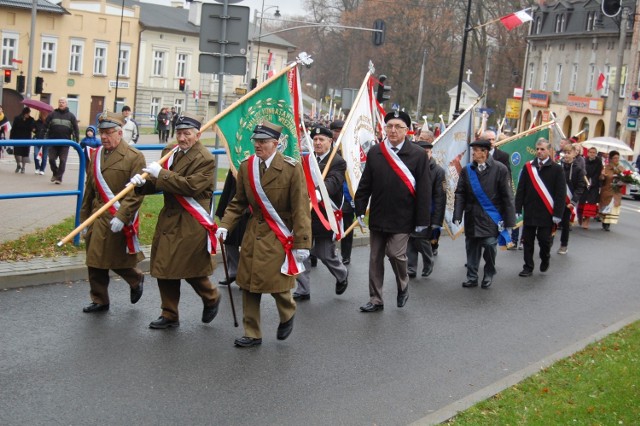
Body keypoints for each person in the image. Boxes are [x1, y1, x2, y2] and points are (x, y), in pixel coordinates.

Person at [217, 121, 311, 347]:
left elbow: (300, 208)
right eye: (255, 141)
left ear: (275, 144)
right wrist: (225, 225)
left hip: (279, 235)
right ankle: (252, 333)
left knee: (276, 283)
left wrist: (302, 243)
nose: (257, 145)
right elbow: (238, 202)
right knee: (248, 283)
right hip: (253, 233)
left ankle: (287, 312)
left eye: (262, 142)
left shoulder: (290, 168)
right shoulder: (247, 167)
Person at [131, 112, 222, 329]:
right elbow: (159, 182)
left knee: (186, 267)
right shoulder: (171, 152)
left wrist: (161, 174)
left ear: (197, 134)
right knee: (165, 265)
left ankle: (211, 296)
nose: (181, 138)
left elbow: (190, 186)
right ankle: (169, 313)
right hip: (170, 218)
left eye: (187, 134)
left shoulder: (206, 159)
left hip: (191, 220)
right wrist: (142, 184)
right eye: (179, 133)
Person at [354, 110, 431, 312]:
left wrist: (423, 219)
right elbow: (365, 184)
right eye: (389, 126)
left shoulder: (417, 154)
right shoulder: (376, 152)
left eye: (398, 127)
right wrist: (360, 209)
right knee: (375, 258)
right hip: (379, 214)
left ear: (407, 130)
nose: (393, 130)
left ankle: (403, 284)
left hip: (403, 217)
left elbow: (424, 189)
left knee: (396, 254)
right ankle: (376, 299)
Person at [80, 112, 146, 313]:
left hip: (117, 216)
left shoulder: (134, 157)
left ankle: (135, 278)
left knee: (114, 258)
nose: (104, 137)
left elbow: (136, 193)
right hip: (96, 214)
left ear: (120, 133)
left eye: (109, 133)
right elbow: (89, 190)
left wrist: (121, 216)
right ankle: (99, 299)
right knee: (94, 258)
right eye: (102, 133)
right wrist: (83, 220)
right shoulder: (96, 156)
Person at [294, 126, 349, 300]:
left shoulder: (338, 161)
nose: (317, 143)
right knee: (301, 251)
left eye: (321, 140)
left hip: (325, 213)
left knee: (325, 254)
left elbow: (334, 181)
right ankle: (303, 289)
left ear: (330, 141)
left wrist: (318, 192)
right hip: (306, 212)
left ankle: (342, 275)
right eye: (315, 139)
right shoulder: (307, 160)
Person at [453, 139, 515, 288]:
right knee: (472, 247)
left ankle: (489, 273)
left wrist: (510, 221)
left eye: (476, 150)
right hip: (472, 215)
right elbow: (460, 193)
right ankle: (472, 277)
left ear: (485, 152)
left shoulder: (500, 169)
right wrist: (457, 214)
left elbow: (507, 196)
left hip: (491, 217)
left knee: (489, 245)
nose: (473, 153)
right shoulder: (468, 170)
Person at [515, 138, 566, 277]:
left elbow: (560, 194)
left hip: (547, 212)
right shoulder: (528, 167)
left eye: (542, 149)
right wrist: (517, 208)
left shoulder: (557, 169)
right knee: (527, 241)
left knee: (544, 241)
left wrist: (557, 214)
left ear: (549, 150)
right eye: (537, 149)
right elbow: (521, 189)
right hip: (530, 210)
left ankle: (545, 258)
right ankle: (528, 267)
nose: (539, 151)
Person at [407, 139, 446, 279]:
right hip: (410, 211)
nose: (425, 155)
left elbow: (440, 198)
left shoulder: (438, 171)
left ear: (431, 153)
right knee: (410, 240)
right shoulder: (409, 167)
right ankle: (411, 268)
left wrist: (437, 221)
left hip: (427, 213)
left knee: (422, 240)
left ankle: (428, 262)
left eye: (427, 152)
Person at [214, 169, 249, 286]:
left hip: (252, 209)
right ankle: (233, 271)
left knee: (249, 244)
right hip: (233, 206)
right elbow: (228, 189)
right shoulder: (235, 164)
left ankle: (246, 276)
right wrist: (221, 210)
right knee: (229, 239)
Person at [557, 145, 586, 255]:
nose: (567, 155)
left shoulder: (578, 169)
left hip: (568, 200)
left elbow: (580, 187)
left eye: (569, 153)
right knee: (551, 221)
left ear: (574, 154)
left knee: (565, 223)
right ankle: (549, 239)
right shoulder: (558, 166)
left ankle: (564, 245)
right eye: (565, 152)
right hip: (556, 198)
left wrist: (573, 201)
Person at [45, 97, 80, 184]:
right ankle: (55, 173)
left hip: (65, 143)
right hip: (52, 142)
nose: (61, 103)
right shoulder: (52, 114)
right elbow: (45, 127)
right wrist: (42, 139)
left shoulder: (71, 116)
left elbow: (76, 129)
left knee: (63, 160)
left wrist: (76, 141)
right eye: (60, 102)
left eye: (63, 102)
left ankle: (59, 178)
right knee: (51, 159)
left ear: (66, 104)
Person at [599, 150, 626, 231]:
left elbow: (626, 178)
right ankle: (605, 222)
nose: (616, 159)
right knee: (607, 206)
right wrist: (602, 175)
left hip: (616, 191)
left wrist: (623, 180)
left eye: (618, 158)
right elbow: (601, 179)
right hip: (607, 190)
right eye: (615, 158)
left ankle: (608, 223)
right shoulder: (606, 167)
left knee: (613, 207)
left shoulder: (621, 168)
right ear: (610, 159)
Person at [577, 147, 603, 230]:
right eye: (590, 152)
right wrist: (585, 180)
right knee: (582, 202)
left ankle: (587, 221)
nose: (592, 154)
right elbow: (582, 171)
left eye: (594, 152)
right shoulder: (584, 161)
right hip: (584, 184)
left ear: (596, 153)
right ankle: (582, 218)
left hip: (594, 186)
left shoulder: (599, 163)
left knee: (590, 203)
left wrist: (592, 182)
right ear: (587, 153)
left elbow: (598, 174)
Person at [10, 107, 36, 174]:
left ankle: (23, 167)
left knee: (25, 154)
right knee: (16, 153)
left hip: (27, 138)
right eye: (27, 113)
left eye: (29, 113)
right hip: (17, 138)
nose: (28, 114)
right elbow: (13, 128)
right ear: (24, 113)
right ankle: (18, 164)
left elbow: (33, 129)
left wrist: (33, 128)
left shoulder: (31, 119)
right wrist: (11, 138)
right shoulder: (17, 118)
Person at [33, 110, 49, 175]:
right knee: (36, 154)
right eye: (42, 114)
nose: (44, 116)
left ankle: (42, 169)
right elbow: (34, 130)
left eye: (45, 114)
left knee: (44, 156)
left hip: (46, 140)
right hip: (38, 139)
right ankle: (37, 167)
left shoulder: (49, 123)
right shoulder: (37, 122)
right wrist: (33, 129)